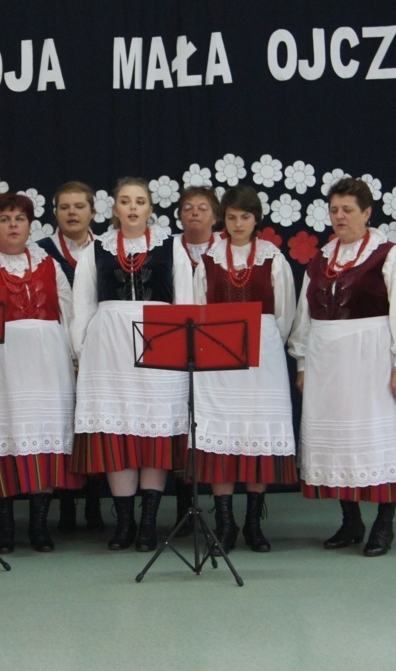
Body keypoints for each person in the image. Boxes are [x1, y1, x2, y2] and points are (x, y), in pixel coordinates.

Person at [287, 177, 396, 557]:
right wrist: (302, 363)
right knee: (340, 443)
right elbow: (305, 315)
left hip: (372, 361)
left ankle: (384, 525)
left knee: (378, 440)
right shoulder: (320, 260)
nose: (339, 216)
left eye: (347, 210)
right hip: (327, 364)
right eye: (334, 210)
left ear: (367, 212)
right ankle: (351, 521)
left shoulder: (388, 256)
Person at [0, 192, 83, 553]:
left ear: (30, 225)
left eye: (20, 219)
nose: (13, 225)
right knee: (4, 441)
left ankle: (39, 527)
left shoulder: (49, 265)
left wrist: (79, 360)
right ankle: (6, 528)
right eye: (5, 219)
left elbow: (71, 317)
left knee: (44, 443)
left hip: (47, 368)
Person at [71, 177, 194, 552]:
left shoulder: (172, 247)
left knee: (154, 432)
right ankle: (124, 523)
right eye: (125, 201)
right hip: (108, 350)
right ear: (115, 209)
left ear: (150, 208)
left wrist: (184, 352)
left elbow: (186, 303)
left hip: (161, 345)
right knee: (118, 433)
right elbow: (82, 307)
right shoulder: (95, 250)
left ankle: (148, 523)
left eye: (140, 201)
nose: (133, 207)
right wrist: (83, 354)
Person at [192, 185, 297, 553]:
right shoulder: (208, 258)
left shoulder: (273, 258)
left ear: (257, 220)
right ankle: (225, 522)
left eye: (246, 217)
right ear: (224, 218)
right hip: (217, 356)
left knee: (257, 431)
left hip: (262, 357)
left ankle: (253, 522)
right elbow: (197, 308)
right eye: (232, 217)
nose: (238, 224)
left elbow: (284, 314)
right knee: (221, 431)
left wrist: (263, 341)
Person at [35, 181, 106, 532]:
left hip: (101, 351)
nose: (72, 213)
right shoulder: (41, 253)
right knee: (63, 425)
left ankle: (94, 503)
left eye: (79, 206)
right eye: (65, 207)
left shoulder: (108, 249)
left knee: (95, 426)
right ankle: (64, 504)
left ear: (93, 211)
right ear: (55, 213)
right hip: (57, 351)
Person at [168, 186, 222, 537]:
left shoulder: (225, 251)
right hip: (174, 346)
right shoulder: (168, 249)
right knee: (180, 422)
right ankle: (184, 503)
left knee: (211, 422)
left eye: (202, 207)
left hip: (215, 348)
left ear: (215, 216)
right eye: (188, 207)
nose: (194, 213)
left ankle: (220, 506)